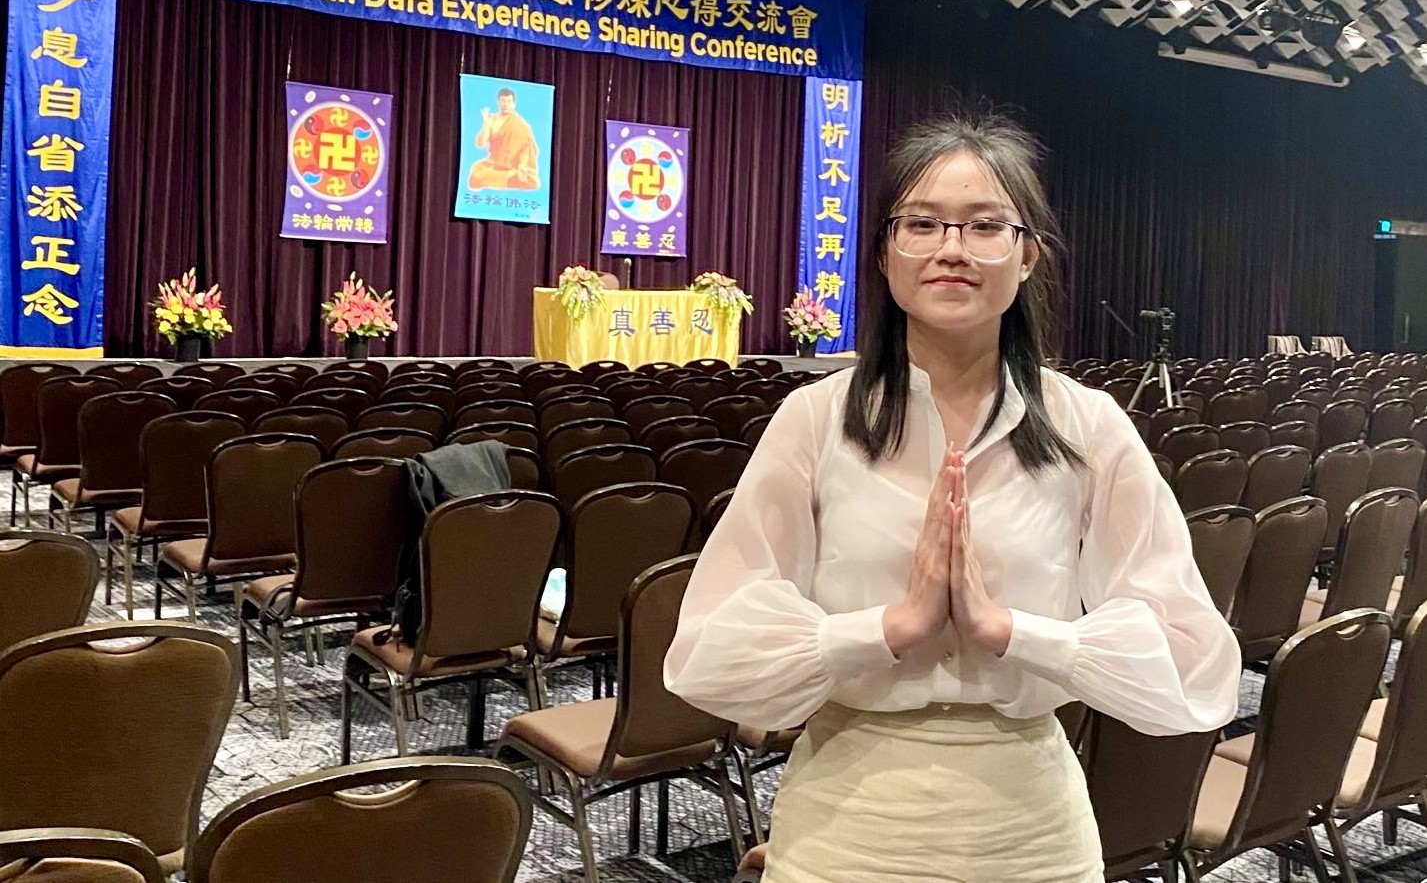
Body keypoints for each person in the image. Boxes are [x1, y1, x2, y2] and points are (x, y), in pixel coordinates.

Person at [664, 111, 1240, 882]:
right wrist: (889, 627)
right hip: (846, 825)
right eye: (922, 223)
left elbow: (1196, 665)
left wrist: (1011, 631)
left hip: (1031, 829)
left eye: (984, 226)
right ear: (883, 252)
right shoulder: (814, 419)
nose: (951, 248)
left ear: (1027, 254)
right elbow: (707, 651)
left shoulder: (1087, 425)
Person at [467, 87, 540, 191]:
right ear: (498, 102)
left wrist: (522, 165)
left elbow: (527, 150)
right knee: (475, 171)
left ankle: (505, 178)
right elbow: (480, 144)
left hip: (514, 167)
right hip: (495, 164)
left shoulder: (522, 126)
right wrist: (486, 124)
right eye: (503, 101)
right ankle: (507, 178)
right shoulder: (492, 120)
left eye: (509, 101)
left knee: (530, 181)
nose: (506, 104)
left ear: (514, 103)